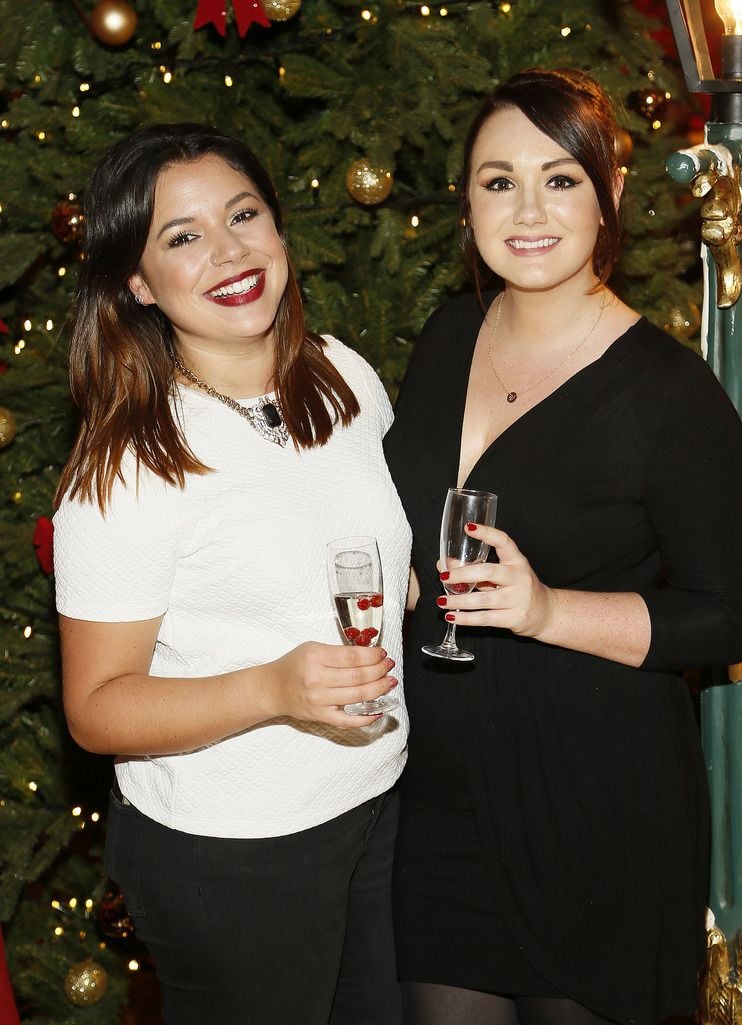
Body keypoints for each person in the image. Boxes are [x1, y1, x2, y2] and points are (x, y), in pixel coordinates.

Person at [383, 68, 742, 1025]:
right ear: (465, 202)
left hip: (593, 811)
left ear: (611, 196)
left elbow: (727, 617)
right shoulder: (445, 336)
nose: (528, 209)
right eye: (497, 180)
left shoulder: (670, 396)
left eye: (560, 179)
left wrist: (546, 609)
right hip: (436, 809)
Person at [53, 123, 411, 1025]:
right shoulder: (127, 464)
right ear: (137, 283)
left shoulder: (342, 376)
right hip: (233, 851)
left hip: (376, 802)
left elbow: (355, 549)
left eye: (243, 214)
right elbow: (97, 708)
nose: (229, 251)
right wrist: (271, 686)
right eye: (183, 237)